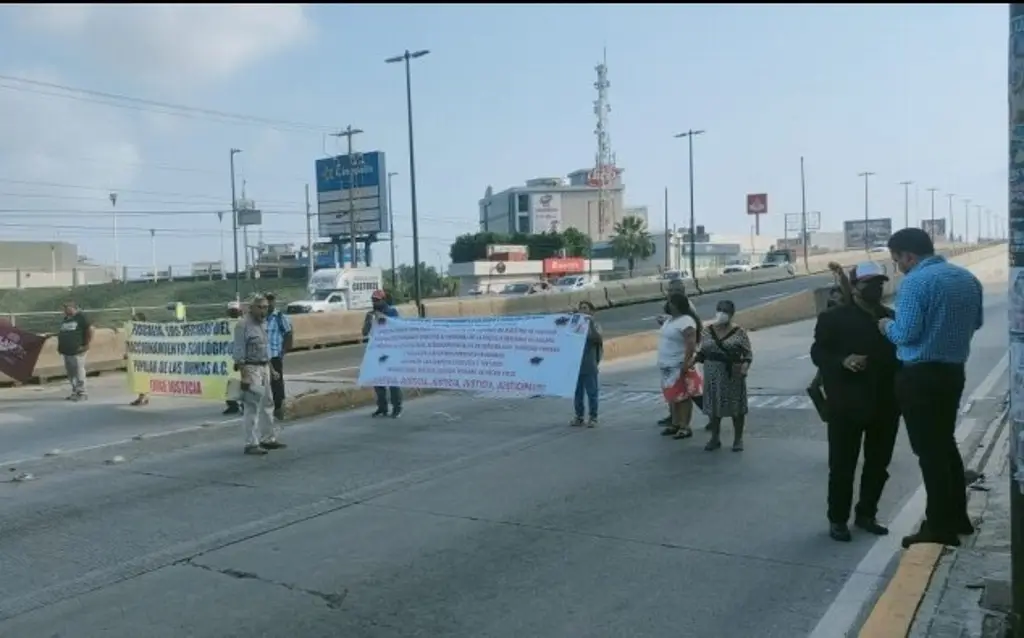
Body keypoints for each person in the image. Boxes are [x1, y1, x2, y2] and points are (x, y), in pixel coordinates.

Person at [879, 228, 983, 548]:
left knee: (930, 453)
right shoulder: (967, 279)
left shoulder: (915, 283)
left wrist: (885, 326)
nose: (898, 267)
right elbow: (977, 322)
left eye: (897, 260)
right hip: (953, 372)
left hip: (920, 377)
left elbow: (906, 333)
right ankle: (957, 517)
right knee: (944, 445)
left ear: (909, 256)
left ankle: (938, 525)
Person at [812, 261, 902, 542]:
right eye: (868, 283)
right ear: (855, 287)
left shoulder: (891, 318)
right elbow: (818, 352)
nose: (875, 288)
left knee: (878, 464)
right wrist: (843, 361)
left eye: (879, 283)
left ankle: (867, 514)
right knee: (842, 466)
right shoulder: (834, 318)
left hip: (885, 405)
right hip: (846, 405)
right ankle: (837, 519)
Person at [233, 295, 286, 455]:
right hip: (251, 369)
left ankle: (268, 438)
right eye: (260, 307)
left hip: (264, 367)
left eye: (266, 307)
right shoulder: (243, 325)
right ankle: (251, 443)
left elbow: (264, 348)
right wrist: (245, 376)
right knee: (252, 406)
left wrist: (272, 369)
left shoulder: (263, 324)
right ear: (252, 308)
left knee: (268, 403)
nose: (264, 310)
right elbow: (239, 351)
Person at [698, 300, 752, 452]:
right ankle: (715, 438)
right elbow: (702, 351)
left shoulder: (739, 332)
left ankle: (738, 439)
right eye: (720, 310)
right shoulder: (707, 331)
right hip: (712, 374)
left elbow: (748, 354)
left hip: (732, 374)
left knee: (736, 407)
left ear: (732, 314)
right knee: (714, 406)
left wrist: (744, 367)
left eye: (726, 311)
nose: (722, 314)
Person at [658, 291, 703, 440]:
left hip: (679, 364)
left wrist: (686, 363)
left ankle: (685, 426)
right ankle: (675, 423)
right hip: (667, 365)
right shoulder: (670, 320)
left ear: (677, 305)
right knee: (672, 396)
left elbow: (691, 343)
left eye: (670, 301)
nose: (667, 304)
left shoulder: (687, 321)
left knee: (683, 397)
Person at [363, 290, 402, 418]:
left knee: (392, 381)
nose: (375, 302)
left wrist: (382, 318)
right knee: (378, 381)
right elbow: (364, 332)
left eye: (377, 300)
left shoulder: (392, 312)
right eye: (373, 300)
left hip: (390, 350)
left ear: (384, 300)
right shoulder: (370, 314)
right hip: (377, 350)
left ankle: (397, 408)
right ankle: (382, 407)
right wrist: (369, 321)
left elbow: (397, 328)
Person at [570, 300, 603, 428]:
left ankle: (593, 417)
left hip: (589, 364)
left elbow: (597, 338)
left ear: (591, 311)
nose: (582, 310)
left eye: (585, 308)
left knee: (592, 392)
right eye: (580, 308)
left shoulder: (595, 325)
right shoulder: (575, 325)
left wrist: (589, 323)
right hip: (576, 365)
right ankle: (579, 416)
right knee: (577, 393)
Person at [56, 300, 93, 402]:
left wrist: (85, 344)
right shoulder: (66, 319)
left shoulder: (81, 317)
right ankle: (75, 390)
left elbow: (89, 330)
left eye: (68, 307)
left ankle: (82, 392)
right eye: (65, 308)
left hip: (78, 350)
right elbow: (63, 333)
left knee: (78, 370)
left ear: (74, 307)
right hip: (66, 351)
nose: (65, 310)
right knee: (71, 372)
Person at [265, 293, 293, 421]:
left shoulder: (279, 317)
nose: (269, 303)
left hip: (275, 354)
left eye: (271, 300)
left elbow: (288, 333)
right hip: (263, 356)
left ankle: (279, 408)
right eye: (267, 301)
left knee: (277, 383)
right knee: (263, 383)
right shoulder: (261, 318)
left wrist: (284, 351)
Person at [224, 301, 245, 416]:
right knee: (230, 383)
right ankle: (232, 405)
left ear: (240, 311)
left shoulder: (245, 323)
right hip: (229, 358)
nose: (234, 313)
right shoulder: (225, 325)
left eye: (235, 311)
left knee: (244, 383)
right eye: (232, 311)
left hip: (242, 357)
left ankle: (245, 405)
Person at [128, 311, 149, 406]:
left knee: (142, 377)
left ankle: (142, 398)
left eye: (134, 320)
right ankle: (144, 397)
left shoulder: (145, 332)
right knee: (140, 378)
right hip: (137, 357)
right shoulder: (134, 331)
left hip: (143, 358)